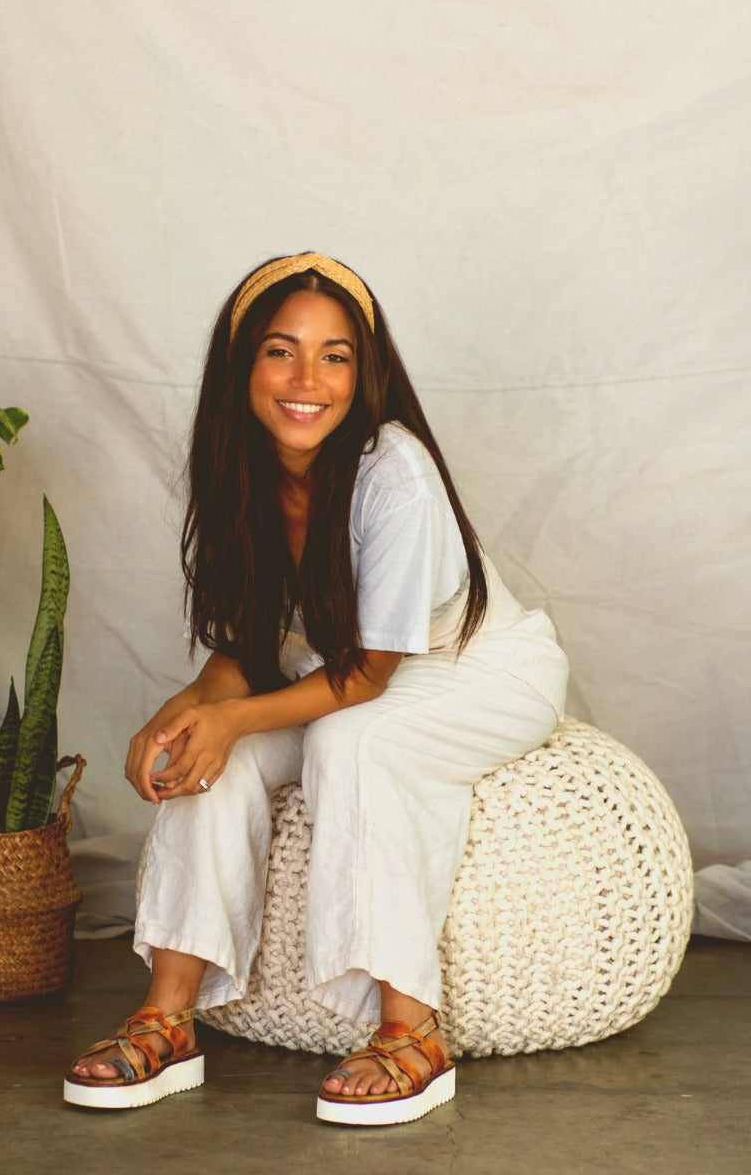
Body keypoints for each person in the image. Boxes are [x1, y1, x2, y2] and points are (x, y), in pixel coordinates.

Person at [63, 252, 568, 1126]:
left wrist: (231, 717)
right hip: (338, 678)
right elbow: (249, 649)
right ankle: (167, 1017)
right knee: (205, 750)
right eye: (281, 351)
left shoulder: (392, 468)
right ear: (243, 367)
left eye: (335, 356)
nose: (308, 380)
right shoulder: (242, 471)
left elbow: (370, 676)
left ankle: (413, 1029)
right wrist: (185, 713)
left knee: (350, 740)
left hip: (477, 670)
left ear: (364, 373)